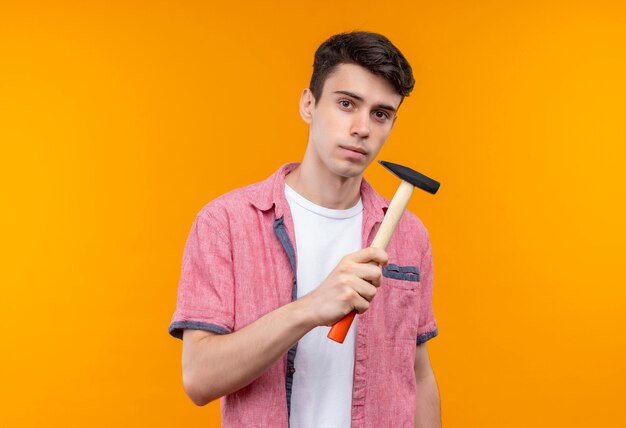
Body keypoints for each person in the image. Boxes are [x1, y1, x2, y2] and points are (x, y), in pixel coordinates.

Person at [169, 31, 441, 428]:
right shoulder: (226, 222)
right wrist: (311, 308)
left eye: (380, 114)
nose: (362, 128)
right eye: (347, 104)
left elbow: (418, 374)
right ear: (308, 104)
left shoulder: (409, 234)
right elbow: (199, 379)